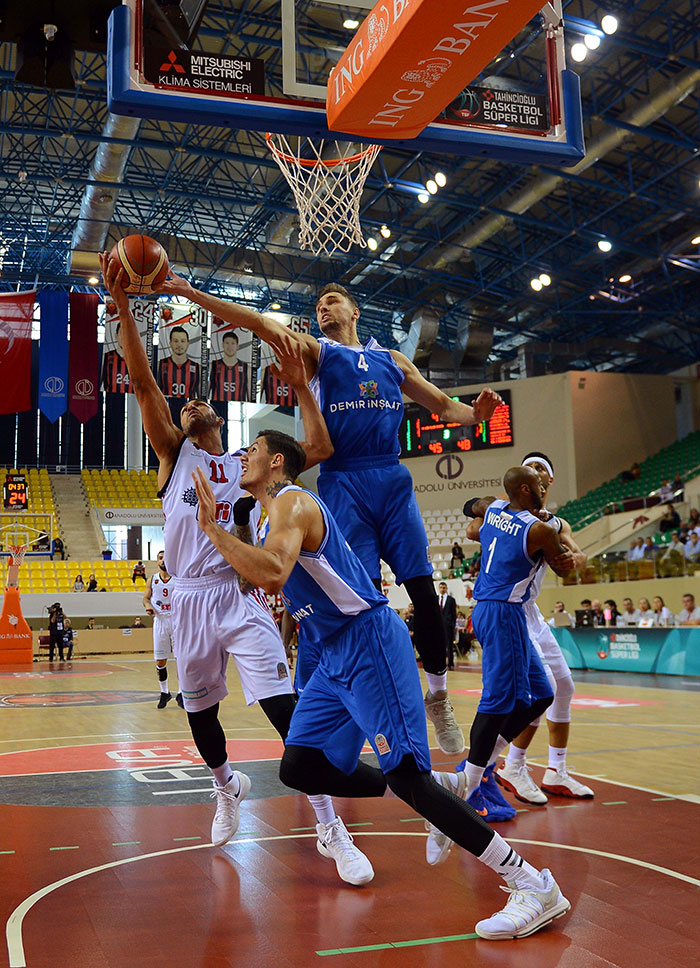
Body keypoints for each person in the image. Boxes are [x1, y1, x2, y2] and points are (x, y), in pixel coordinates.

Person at [191, 436, 571, 941]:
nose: (242, 456)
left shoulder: (294, 503)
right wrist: (234, 528)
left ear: (276, 461)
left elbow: (275, 572)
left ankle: (531, 884)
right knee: (300, 765)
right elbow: (252, 580)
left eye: (253, 449)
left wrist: (213, 530)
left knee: (410, 778)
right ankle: (432, 786)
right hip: (330, 654)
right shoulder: (264, 518)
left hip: (368, 641)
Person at [100, 252, 372, 886]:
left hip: (236, 593)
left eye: (199, 406)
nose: (188, 407)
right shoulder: (173, 455)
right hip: (186, 600)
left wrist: (301, 388)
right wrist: (123, 309)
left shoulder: (250, 469)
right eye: (182, 406)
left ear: (218, 422)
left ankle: (329, 824)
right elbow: (143, 383)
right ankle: (226, 787)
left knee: (286, 712)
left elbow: (310, 452)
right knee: (200, 713)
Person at [156, 275, 503, 756]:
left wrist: (475, 415)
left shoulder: (393, 361)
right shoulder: (320, 353)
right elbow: (259, 321)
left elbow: (442, 404)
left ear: (355, 312)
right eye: (318, 303)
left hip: (392, 478)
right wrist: (191, 294)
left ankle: (438, 696)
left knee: (423, 589)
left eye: (332, 299)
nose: (323, 307)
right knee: (348, 601)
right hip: (344, 479)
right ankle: (327, 710)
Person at [428, 466, 578, 859]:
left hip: (494, 608)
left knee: (542, 693)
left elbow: (468, 507)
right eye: (543, 484)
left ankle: (477, 771)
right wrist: (564, 540)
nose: (548, 488)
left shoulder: (493, 509)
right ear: (528, 489)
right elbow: (568, 568)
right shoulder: (540, 530)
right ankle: (467, 783)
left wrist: (491, 520)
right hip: (506, 611)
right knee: (498, 702)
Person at [465, 454, 593, 808]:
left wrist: (572, 557)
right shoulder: (515, 517)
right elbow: (473, 523)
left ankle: (553, 769)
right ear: (523, 486)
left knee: (552, 690)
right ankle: (489, 771)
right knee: (505, 698)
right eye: (531, 470)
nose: (537, 476)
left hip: (526, 611)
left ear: (548, 483)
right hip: (507, 608)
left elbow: (575, 557)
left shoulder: (551, 523)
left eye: (542, 473)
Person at [144, 550, 183, 709]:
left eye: (166, 557)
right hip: (160, 621)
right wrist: (148, 606)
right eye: (160, 558)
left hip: (177, 621)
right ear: (157, 561)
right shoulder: (152, 579)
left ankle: (182, 693)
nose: (163, 560)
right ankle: (164, 692)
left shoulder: (179, 577)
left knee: (181, 659)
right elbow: (146, 598)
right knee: (160, 660)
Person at [157, 325, 201, 399]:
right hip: (166, 408)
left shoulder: (197, 367)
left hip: (189, 409)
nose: (179, 344)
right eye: (175, 341)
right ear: (170, 343)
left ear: (188, 343)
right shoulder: (160, 365)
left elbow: (200, 396)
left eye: (183, 341)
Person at [210, 331, 250, 402]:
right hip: (217, 406)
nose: (230, 346)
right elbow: (205, 391)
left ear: (237, 346)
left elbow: (250, 394)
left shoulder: (246, 368)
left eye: (233, 343)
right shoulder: (213, 365)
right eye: (227, 343)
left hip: (238, 408)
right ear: (222, 345)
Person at [437, 581, 457, 671]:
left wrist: (452, 625)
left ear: (446, 588)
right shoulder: (436, 599)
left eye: (444, 588)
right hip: (438, 625)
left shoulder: (451, 600)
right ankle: (440, 663)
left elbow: (454, 614)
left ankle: (451, 663)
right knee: (439, 645)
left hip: (448, 626)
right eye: (441, 587)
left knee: (449, 645)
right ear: (439, 588)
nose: (442, 589)